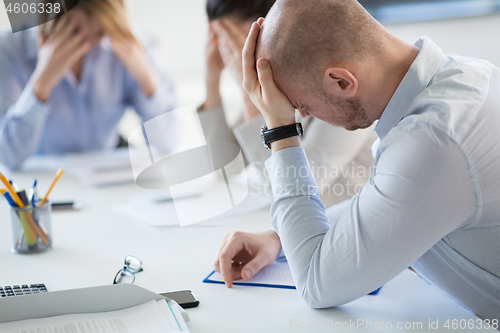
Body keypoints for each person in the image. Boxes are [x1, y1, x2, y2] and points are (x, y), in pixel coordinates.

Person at [214, 0, 500, 321]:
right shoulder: (467, 73)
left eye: (300, 105)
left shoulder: (432, 142)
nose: (304, 115)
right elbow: (385, 203)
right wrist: (279, 237)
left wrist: (280, 132)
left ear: (341, 81)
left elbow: (315, 283)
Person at [198, 0, 377, 207]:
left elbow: (289, 189)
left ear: (275, 28)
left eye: (235, 44)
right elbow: (226, 170)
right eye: (223, 44)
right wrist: (211, 79)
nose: (234, 56)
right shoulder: (275, 83)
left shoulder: (339, 89)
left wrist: (249, 92)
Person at [0, 0, 177, 170]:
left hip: (108, 174)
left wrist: (147, 80)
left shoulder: (130, 43)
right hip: (46, 181)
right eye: (74, 32)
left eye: (99, 33)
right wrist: (40, 84)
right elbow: (8, 157)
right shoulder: (9, 49)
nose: (87, 45)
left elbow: (169, 141)